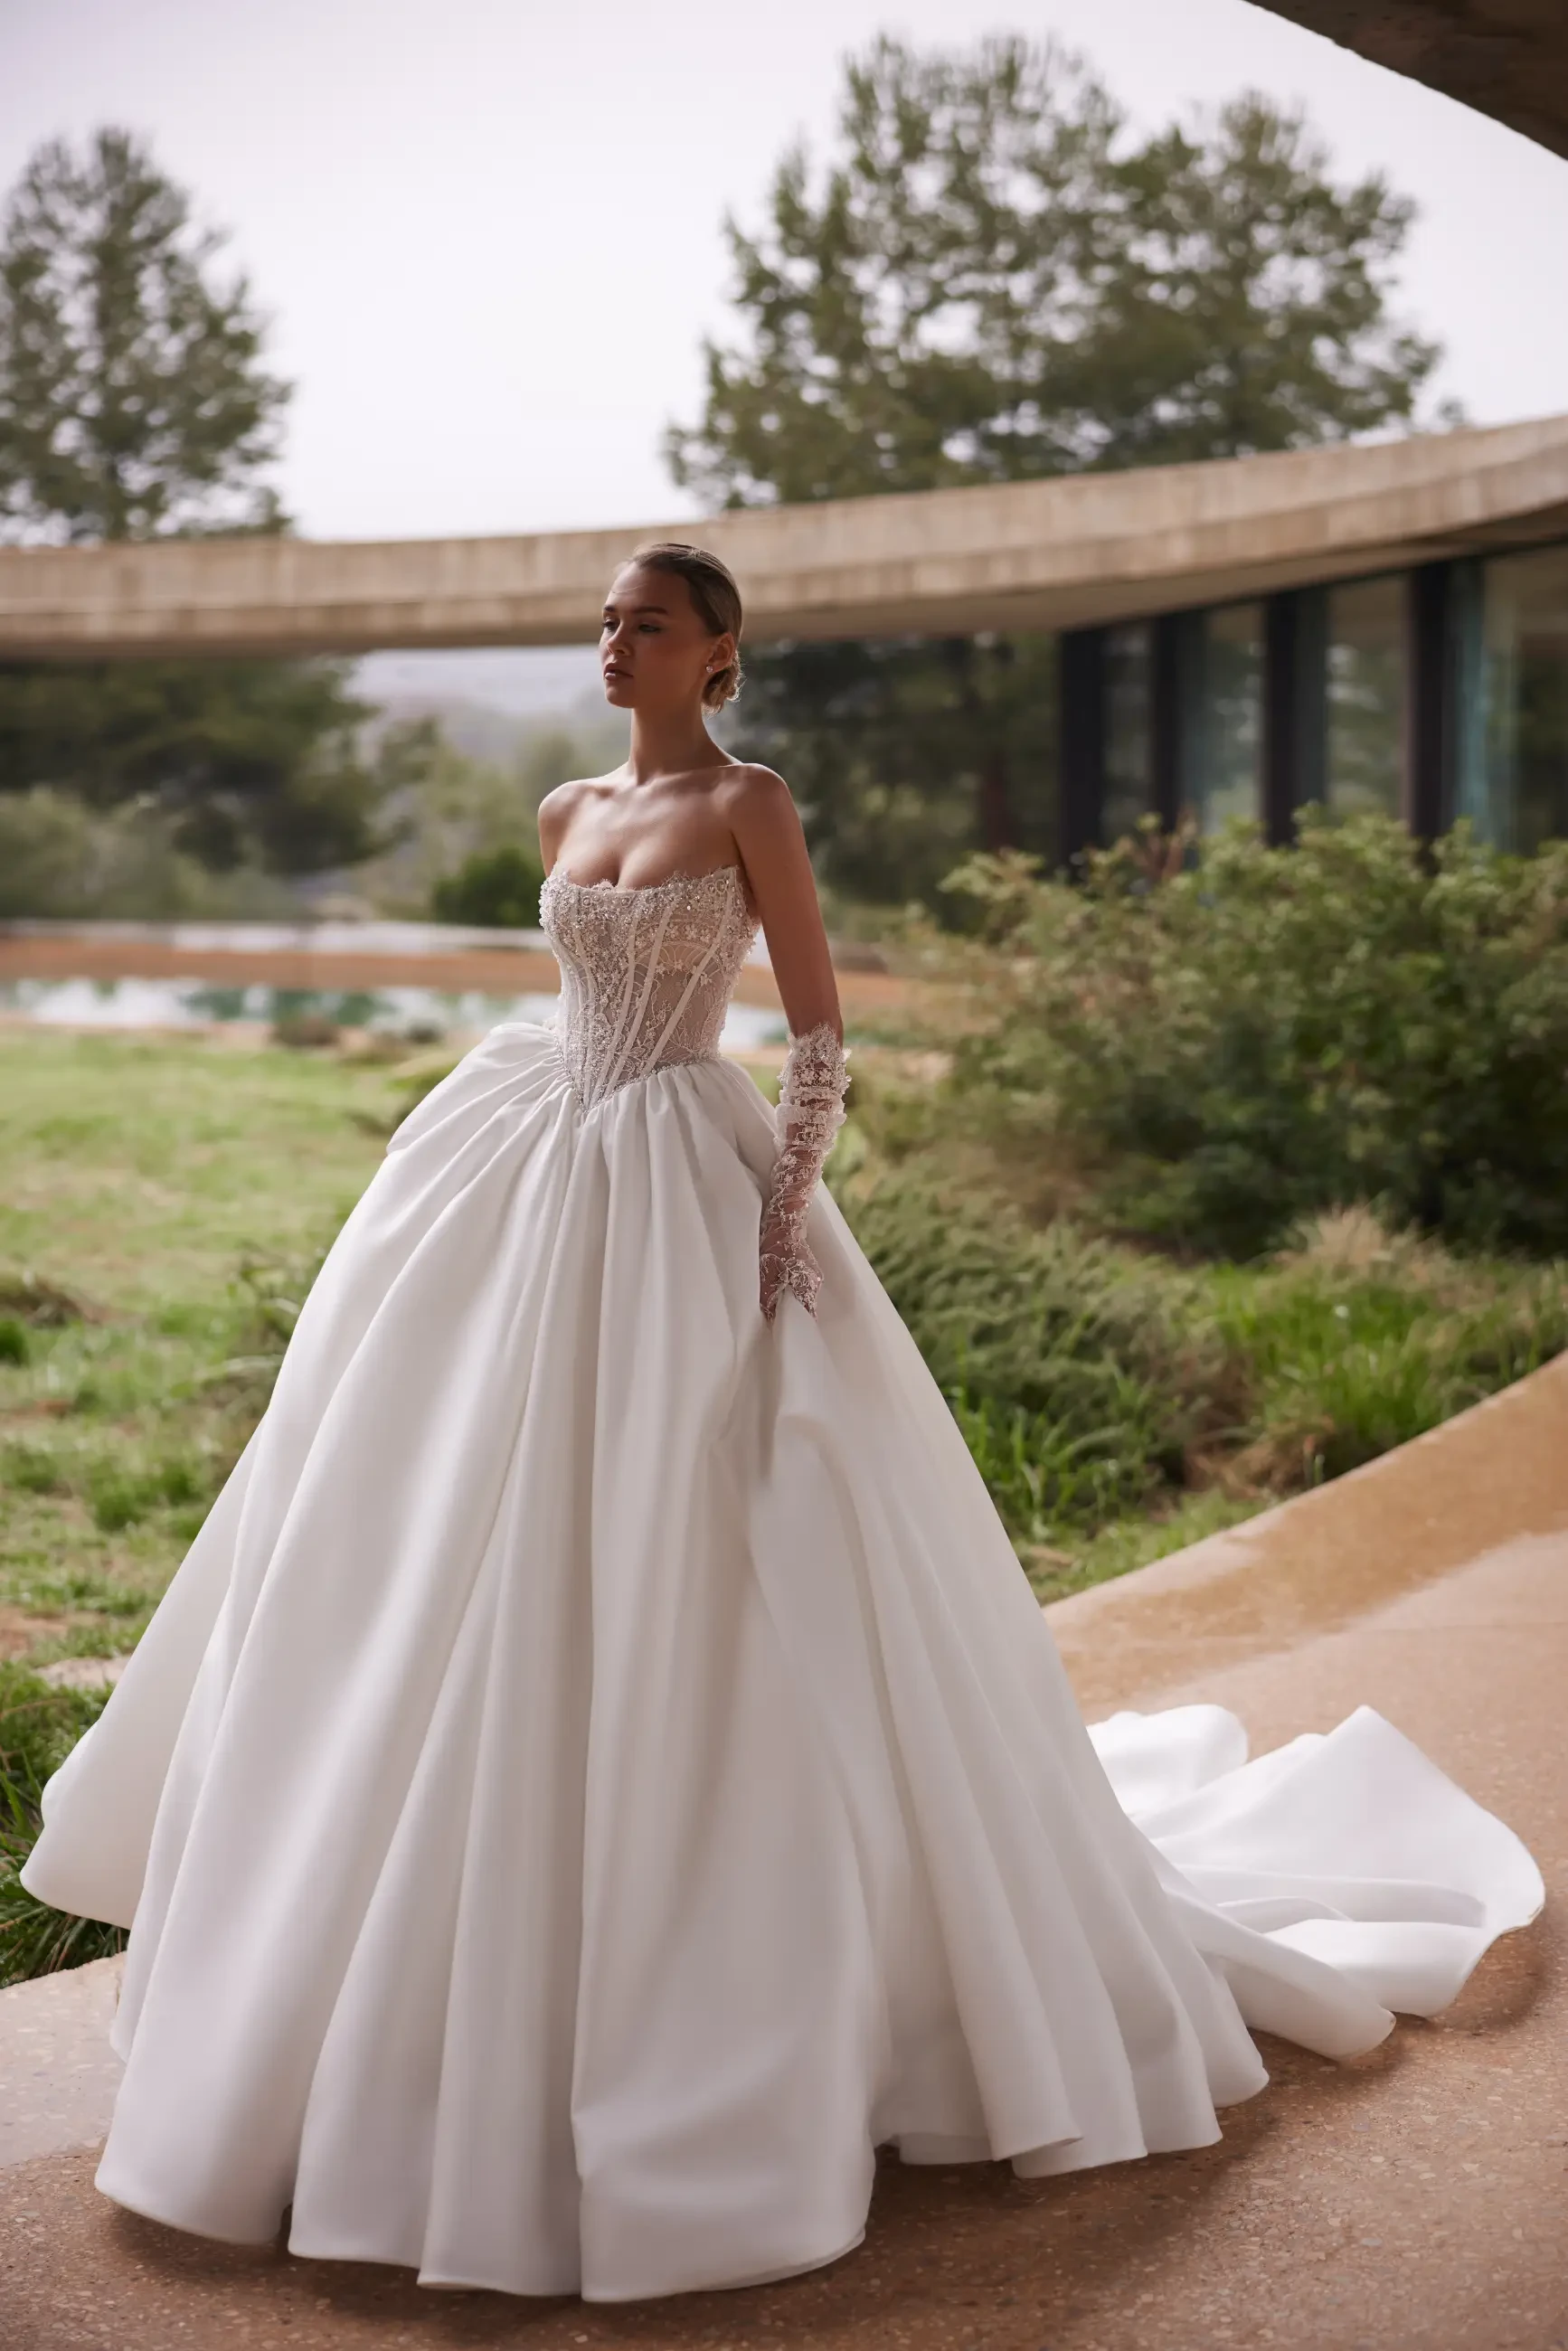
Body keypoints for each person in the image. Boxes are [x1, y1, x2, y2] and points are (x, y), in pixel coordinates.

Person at [23, 543, 1542, 2306]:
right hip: (537, 1165)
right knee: (433, 1538)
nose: (613, 642)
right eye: (602, 621)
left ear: (718, 648)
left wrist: (776, 1218)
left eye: (644, 621)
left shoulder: (755, 802)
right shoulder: (561, 803)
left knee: (709, 1541)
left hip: (688, 1176)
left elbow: (814, 1030)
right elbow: (569, 996)